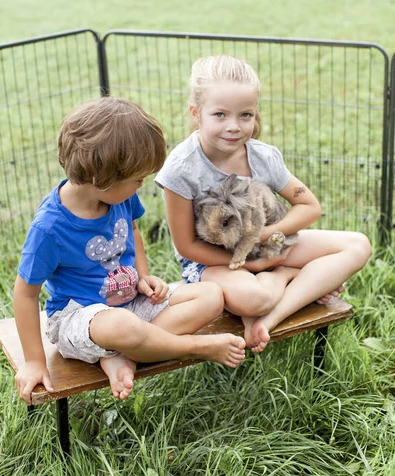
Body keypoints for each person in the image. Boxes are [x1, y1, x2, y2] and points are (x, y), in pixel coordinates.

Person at [13, 97, 246, 405]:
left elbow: (132, 231)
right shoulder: (49, 228)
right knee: (122, 326)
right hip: (80, 318)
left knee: (211, 295)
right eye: (137, 180)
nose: (140, 186)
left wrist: (144, 276)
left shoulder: (118, 197)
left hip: (130, 301)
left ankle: (127, 354)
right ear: (101, 179)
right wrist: (34, 362)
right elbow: (25, 294)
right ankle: (195, 346)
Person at [155, 55, 371, 353]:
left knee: (357, 245)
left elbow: (309, 206)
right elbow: (187, 246)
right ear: (196, 112)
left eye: (245, 115)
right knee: (253, 298)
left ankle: (268, 319)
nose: (234, 126)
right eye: (220, 115)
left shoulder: (264, 157)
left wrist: (268, 237)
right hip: (212, 259)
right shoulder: (181, 168)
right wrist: (252, 263)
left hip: (266, 243)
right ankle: (290, 277)